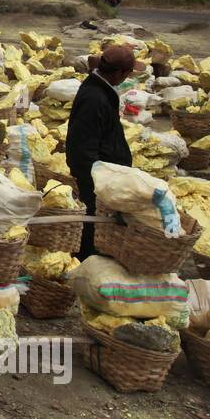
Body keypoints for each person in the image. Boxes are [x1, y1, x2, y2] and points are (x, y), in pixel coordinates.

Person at [65, 44, 136, 259]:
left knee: (97, 227)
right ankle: (86, 263)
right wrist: (98, 182)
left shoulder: (100, 89)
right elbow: (82, 148)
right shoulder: (95, 98)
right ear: (119, 73)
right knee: (91, 229)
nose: (127, 77)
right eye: (128, 73)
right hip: (95, 180)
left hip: (102, 176)